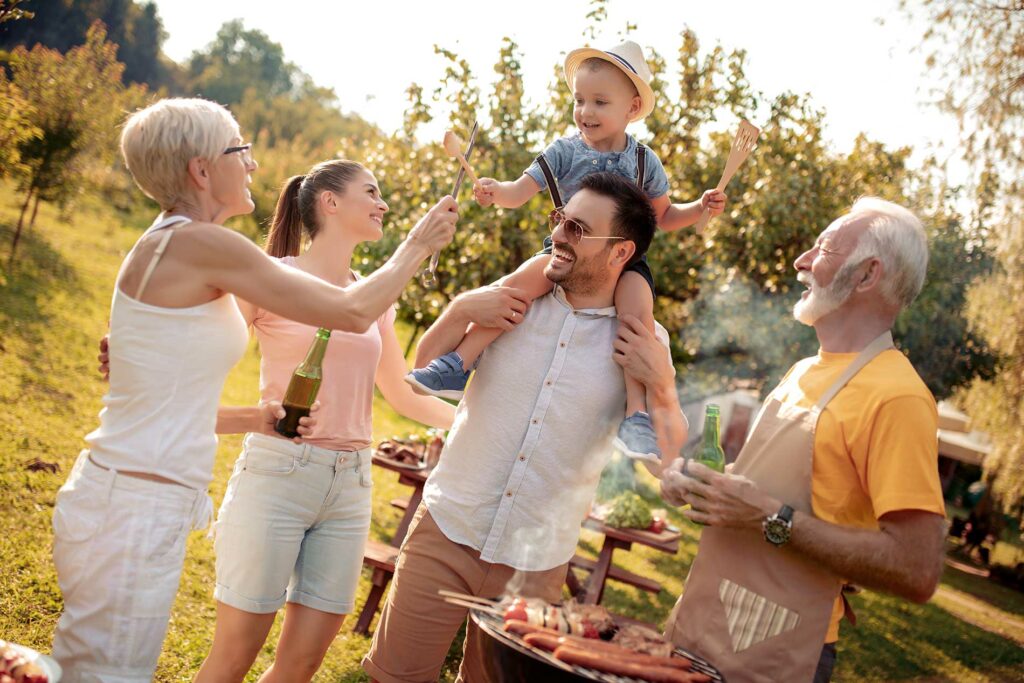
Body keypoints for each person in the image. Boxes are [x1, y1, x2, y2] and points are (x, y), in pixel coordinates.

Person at [49, 97, 456, 683]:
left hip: (149, 497)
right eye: (241, 150)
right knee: (103, 674)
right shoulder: (208, 244)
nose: (255, 165)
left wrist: (253, 411)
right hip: (135, 503)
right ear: (201, 169)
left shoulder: (183, 245)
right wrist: (418, 245)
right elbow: (350, 310)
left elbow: (169, 356)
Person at [363, 172, 679, 683]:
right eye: (560, 220)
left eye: (579, 229)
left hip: (538, 562)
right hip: (448, 528)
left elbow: (669, 455)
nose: (559, 235)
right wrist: (460, 307)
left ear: (621, 253)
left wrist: (662, 383)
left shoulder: (643, 339)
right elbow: (424, 369)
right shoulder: (509, 301)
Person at [625, 198, 947, 683]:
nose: (801, 261)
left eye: (823, 248)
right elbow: (773, 491)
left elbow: (917, 568)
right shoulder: (803, 371)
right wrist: (704, 484)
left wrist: (772, 519)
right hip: (701, 620)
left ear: (867, 275)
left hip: (777, 649)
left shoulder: (898, 397)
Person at [406, 39, 724, 466]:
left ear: (631, 108)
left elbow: (664, 216)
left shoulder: (646, 162)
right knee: (513, 291)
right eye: (579, 100)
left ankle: (636, 415)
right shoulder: (563, 152)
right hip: (562, 248)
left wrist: (700, 208)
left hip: (623, 261)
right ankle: (458, 364)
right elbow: (520, 192)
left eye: (599, 102)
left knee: (638, 321)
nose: (585, 112)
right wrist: (494, 191)